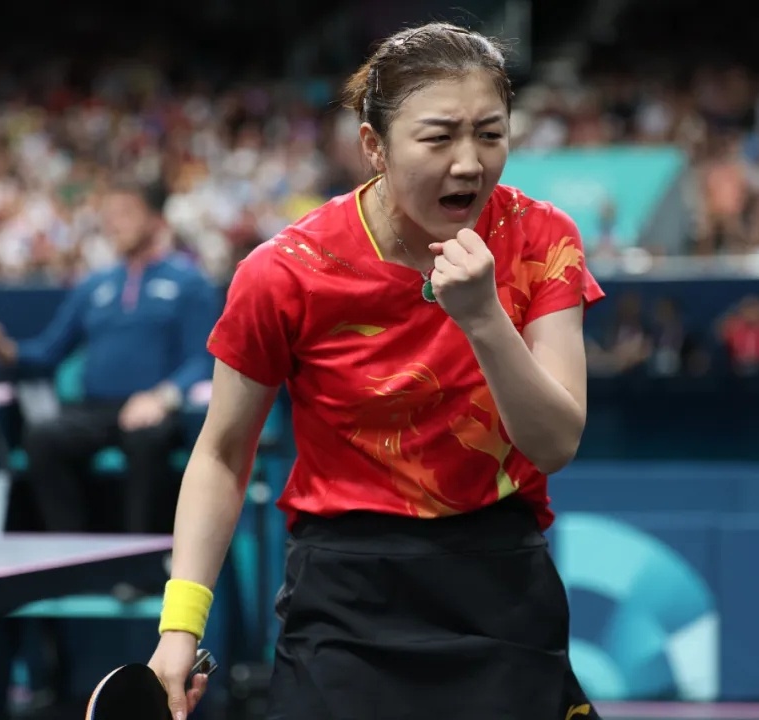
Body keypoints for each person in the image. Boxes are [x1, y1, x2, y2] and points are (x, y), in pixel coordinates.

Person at [150, 22, 606, 720]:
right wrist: (179, 630)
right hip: (346, 601)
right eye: (438, 138)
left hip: (500, 589)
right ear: (374, 146)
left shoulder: (542, 239)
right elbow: (221, 452)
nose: (469, 163)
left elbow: (555, 443)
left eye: (490, 133)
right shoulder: (285, 272)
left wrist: (484, 319)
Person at [0, 180, 219, 534]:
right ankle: (73, 549)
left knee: (147, 440)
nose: (114, 224)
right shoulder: (93, 285)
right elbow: (49, 351)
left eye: (126, 213)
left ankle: (141, 556)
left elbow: (203, 358)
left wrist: (162, 397)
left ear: (156, 220)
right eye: (110, 215)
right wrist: (5, 350)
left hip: (154, 410)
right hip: (94, 411)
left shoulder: (190, 283)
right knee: (44, 437)